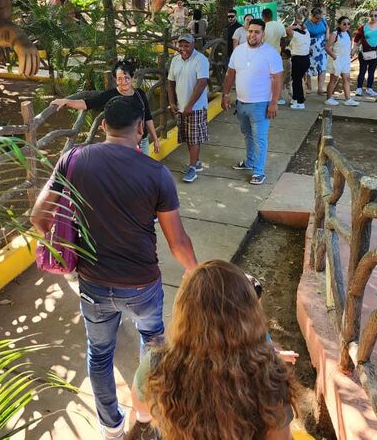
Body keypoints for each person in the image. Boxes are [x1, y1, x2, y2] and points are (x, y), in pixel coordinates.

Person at [31, 97, 198, 440]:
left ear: (104, 126)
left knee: (100, 354)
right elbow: (177, 240)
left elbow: (38, 217)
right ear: (140, 129)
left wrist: (64, 245)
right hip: (142, 286)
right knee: (153, 350)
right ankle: (147, 418)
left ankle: (111, 427)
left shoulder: (73, 159)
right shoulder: (157, 173)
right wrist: (195, 272)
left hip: (93, 283)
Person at [132, 260, 295, 440]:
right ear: (250, 314)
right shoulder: (270, 374)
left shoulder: (155, 364)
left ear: (184, 311)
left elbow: (142, 412)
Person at [52, 59, 161, 154]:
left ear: (132, 78)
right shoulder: (110, 95)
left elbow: (147, 118)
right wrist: (66, 101)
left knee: (142, 172)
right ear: (115, 79)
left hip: (142, 142)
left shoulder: (140, 94)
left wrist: (155, 139)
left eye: (126, 78)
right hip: (120, 144)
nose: (123, 82)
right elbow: (87, 103)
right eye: (119, 79)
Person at [222, 18, 283, 185]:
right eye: (250, 31)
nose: (253, 35)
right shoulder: (239, 51)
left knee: (259, 138)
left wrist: (274, 103)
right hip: (241, 103)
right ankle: (249, 162)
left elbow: (277, 79)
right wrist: (225, 95)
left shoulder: (271, 53)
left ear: (263, 34)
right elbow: (230, 74)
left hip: (261, 104)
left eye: (257, 32)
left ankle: (258, 171)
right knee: (247, 134)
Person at [168, 33, 210, 183]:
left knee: (193, 138)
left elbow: (202, 83)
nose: (183, 48)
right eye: (181, 45)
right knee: (187, 136)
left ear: (193, 45)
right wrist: (172, 102)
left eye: (187, 45)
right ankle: (196, 162)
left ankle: (192, 167)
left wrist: (190, 105)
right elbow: (170, 82)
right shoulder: (175, 60)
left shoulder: (200, 60)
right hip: (181, 106)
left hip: (195, 107)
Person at [353, 8, 377, 97]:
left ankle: (369, 88)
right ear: (369, 16)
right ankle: (359, 88)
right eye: (371, 15)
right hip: (364, 52)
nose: (373, 17)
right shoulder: (363, 27)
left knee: (371, 71)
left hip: (376, 52)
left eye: (376, 15)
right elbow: (358, 40)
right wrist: (353, 50)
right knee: (362, 70)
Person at [325, 16, 359, 107]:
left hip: (346, 60)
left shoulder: (348, 34)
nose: (346, 25)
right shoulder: (335, 34)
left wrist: (352, 52)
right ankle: (328, 98)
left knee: (346, 78)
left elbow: (348, 47)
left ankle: (348, 99)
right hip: (337, 59)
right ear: (339, 25)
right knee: (334, 79)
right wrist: (334, 57)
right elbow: (327, 47)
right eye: (344, 24)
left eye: (348, 23)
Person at [261, 8, 289, 105]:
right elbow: (284, 40)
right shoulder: (280, 25)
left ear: (263, 16)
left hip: (264, 54)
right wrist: (282, 50)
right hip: (277, 54)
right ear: (272, 15)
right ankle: (279, 97)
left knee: (265, 76)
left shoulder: (263, 27)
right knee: (276, 76)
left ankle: (266, 96)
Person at [286, 17, 311, 110]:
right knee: (296, 80)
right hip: (305, 59)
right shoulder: (307, 33)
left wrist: (295, 25)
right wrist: (300, 24)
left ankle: (300, 102)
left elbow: (287, 29)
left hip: (298, 59)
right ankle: (295, 98)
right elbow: (304, 27)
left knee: (297, 81)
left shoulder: (296, 35)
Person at [305, 7, 329, 94]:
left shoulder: (322, 20)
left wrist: (327, 35)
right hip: (311, 48)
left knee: (322, 67)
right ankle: (309, 86)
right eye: (317, 18)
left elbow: (327, 27)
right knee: (309, 67)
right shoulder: (307, 24)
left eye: (320, 18)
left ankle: (320, 88)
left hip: (322, 46)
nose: (318, 20)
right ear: (312, 16)